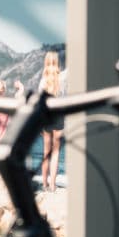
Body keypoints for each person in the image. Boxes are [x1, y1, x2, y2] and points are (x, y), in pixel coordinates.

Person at [40, 47, 65, 192]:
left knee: (46, 152)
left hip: (46, 117)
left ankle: (44, 184)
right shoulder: (62, 78)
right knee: (56, 153)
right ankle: (53, 185)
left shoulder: (43, 81)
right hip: (59, 117)